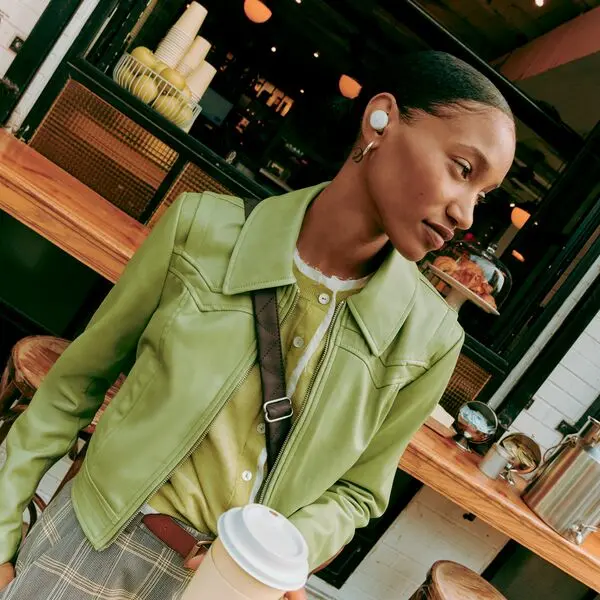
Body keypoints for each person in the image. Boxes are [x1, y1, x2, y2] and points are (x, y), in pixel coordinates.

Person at [0, 51, 515, 600]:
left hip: (231, 588)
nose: (466, 214)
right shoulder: (200, 229)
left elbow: (359, 493)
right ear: (380, 120)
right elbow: (74, 386)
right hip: (91, 547)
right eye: (463, 170)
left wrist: (281, 554)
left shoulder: (430, 340)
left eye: (481, 196)